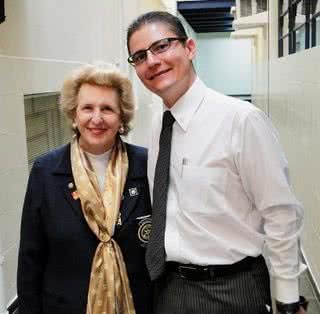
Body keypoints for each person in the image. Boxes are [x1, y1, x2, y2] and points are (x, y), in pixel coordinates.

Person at [126, 11, 307, 314]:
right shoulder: (159, 125)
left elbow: (281, 212)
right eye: (140, 56)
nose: (152, 61)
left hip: (231, 289)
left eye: (162, 46)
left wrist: (286, 298)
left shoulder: (241, 120)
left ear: (190, 48)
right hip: (168, 287)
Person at [17, 64, 152, 314]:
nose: (97, 118)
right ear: (74, 114)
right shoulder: (46, 171)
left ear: (122, 117)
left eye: (108, 109)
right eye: (87, 108)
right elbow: (30, 259)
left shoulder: (146, 166)